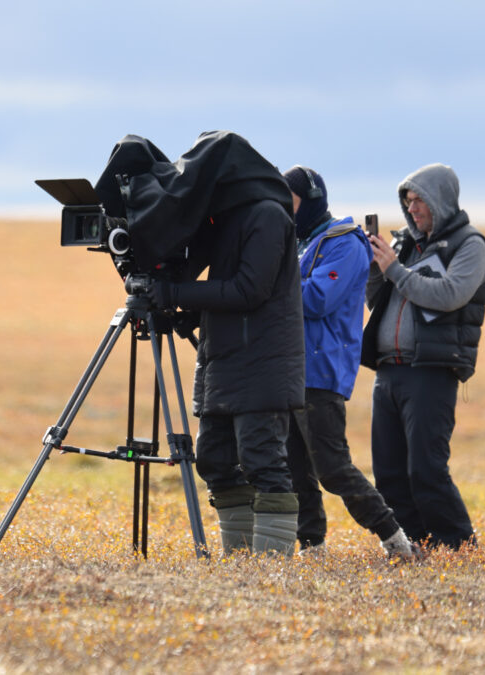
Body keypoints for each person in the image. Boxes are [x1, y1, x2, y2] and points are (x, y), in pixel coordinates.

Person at [141, 134, 305, 557]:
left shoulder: (267, 215)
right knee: (213, 458)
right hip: (223, 358)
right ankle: (241, 559)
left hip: (262, 362)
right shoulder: (229, 218)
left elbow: (250, 290)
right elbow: (226, 288)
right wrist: (186, 309)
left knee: (262, 460)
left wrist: (176, 295)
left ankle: (270, 569)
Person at [282, 166, 423, 562]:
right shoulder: (299, 243)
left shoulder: (344, 243)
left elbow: (317, 299)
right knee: (295, 467)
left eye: (290, 201)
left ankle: (396, 540)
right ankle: (312, 547)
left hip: (321, 371)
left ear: (310, 201)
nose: (284, 209)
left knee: (332, 467)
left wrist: (271, 282)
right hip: (289, 369)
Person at [362, 163, 485, 550]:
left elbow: (450, 294)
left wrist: (395, 270)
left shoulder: (470, 245)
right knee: (388, 471)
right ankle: (413, 544)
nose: (413, 208)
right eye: (408, 200)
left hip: (431, 370)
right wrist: (376, 268)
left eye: (420, 200)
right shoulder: (404, 243)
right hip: (388, 371)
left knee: (426, 468)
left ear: (442, 200)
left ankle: (456, 545)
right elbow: (376, 301)